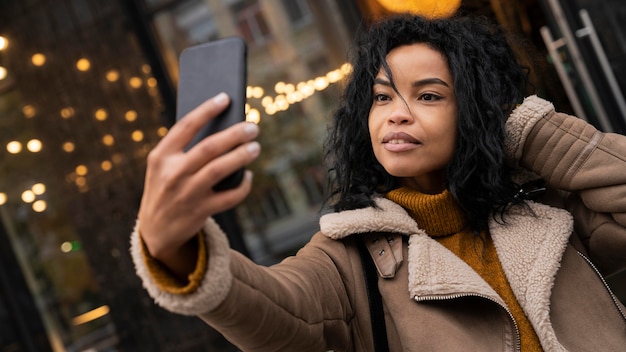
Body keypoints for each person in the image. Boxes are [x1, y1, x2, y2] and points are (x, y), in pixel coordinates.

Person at [131, 13, 626, 351]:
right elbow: (273, 310)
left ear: (475, 112)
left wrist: (520, 128)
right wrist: (173, 245)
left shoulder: (552, 212)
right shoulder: (349, 255)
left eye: (428, 96)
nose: (397, 115)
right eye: (382, 97)